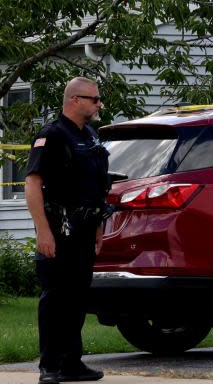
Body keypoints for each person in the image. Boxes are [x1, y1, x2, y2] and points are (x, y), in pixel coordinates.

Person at [25, 77, 111, 383]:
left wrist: (99, 226)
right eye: (94, 99)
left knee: (77, 299)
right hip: (58, 229)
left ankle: (72, 363)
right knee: (55, 298)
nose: (99, 104)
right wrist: (42, 231)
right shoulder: (52, 135)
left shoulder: (90, 136)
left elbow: (98, 185)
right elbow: (33, 183)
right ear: (75, 100)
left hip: (85, 229)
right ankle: (49, 366)